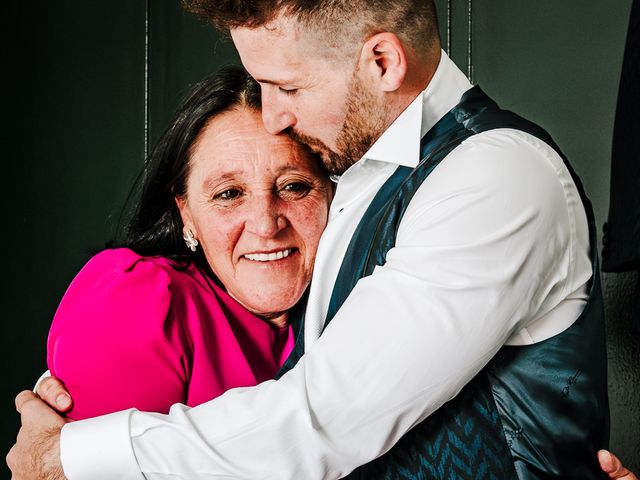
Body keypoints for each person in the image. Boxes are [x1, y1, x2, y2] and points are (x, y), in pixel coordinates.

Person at [6, 1, 638, 479]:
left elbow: (326, 418)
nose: (274, 113)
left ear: (382, 61)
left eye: (288, 86)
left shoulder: (497, 172)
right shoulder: (357, 181)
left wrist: (71, 456)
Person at [45, 66, 332, 420]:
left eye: (293, 186)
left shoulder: (362, 294)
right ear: (186, 213)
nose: (265, 224)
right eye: (229, 194)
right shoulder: (139, 302)